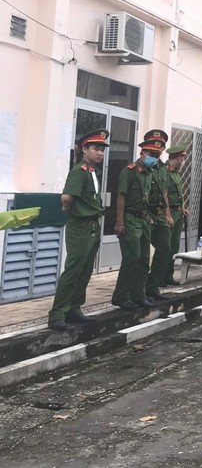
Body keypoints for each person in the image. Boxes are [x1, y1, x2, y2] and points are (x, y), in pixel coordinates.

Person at [47, 129, 110, 330]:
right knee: (73, 270)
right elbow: (67, 198)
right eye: (96, 149)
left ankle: (74, 308)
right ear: (84, 149)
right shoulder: (79, 171)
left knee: (85, 270)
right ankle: (57, 313)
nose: (100, 153)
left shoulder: (92, 171)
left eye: (102, 150)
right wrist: (71, 209)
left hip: (92, 224)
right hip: (80, 225)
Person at [112, 130, 173, 311]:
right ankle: (121, 296)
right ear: (142, 153)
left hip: (145, 218)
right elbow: (121, 196)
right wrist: (119, 222)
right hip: (130, 217)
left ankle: (139, 295)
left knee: (144, 259)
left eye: (157, 155)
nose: (153, 158)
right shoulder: (130, 171)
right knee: (132, 258)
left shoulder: (149, 172)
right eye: (151, 154)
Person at [144, 130, 174, 302]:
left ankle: (152, 285)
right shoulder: (140, 167)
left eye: (160, 147)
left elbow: (164, 193)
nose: (157, 150)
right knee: (141, 256)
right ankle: (138, 290)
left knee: (165, 249)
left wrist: (168, 214)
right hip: (144, 215)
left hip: (159, 214)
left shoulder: (163, 169)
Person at [159, 142, 188, 287]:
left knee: (174, 246)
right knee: (166, 247)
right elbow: (164, 194)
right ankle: (159, 276)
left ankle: (168, 275)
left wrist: (183, 207)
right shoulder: (164, 171)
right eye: (182, 157)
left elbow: (179, 193)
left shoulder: (176, 173)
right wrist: (168, 215)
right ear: (177, 157)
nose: (183, 160)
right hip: (169, 213)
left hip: (178, 212)